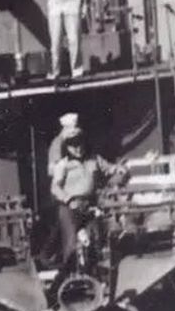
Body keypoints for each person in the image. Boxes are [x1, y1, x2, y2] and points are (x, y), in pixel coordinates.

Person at [50, 130, 122, 265]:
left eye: (79, 143)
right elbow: (55, 188)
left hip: (89, 204)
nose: (78, 148)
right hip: (70, 206)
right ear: (67, 147)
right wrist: (68, 200)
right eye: (73, 145)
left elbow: (110, 168)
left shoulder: (94, 159)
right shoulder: (63, 165)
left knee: (96, 237)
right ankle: (69, 271)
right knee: (71, 241)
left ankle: (95, 270)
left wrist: (119, 169)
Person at [47, 112, 80, 177]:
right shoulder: (57, 143)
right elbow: (52, 170)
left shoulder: (67, 141)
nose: (75, 130)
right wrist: (76, 165)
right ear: (65, 128)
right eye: (74, 127)